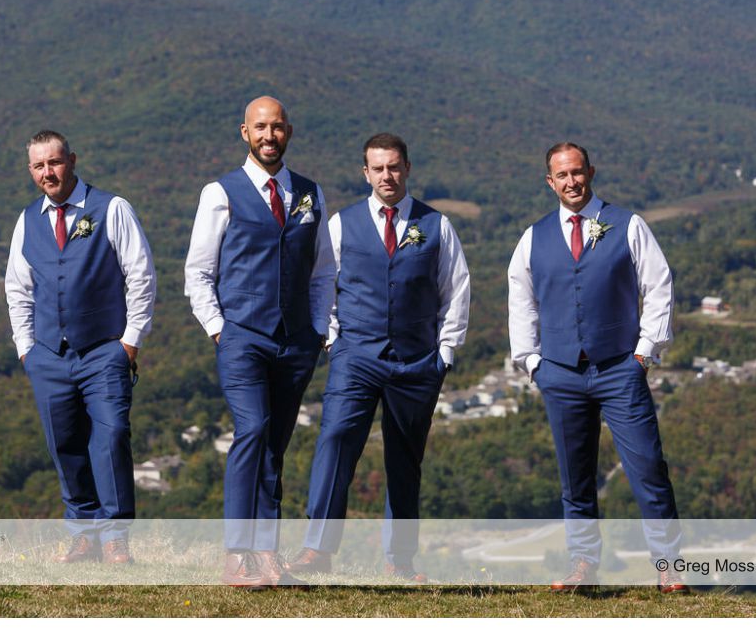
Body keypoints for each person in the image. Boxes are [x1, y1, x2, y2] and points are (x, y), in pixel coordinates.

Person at [285, 133, 470, 582]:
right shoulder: (342, 224)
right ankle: (317, 549)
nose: (387, 176)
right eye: (378, 168)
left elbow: (456, 290)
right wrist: (330, 337)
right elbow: (321, 282)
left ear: (407, 168)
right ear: (365, 172)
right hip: (356, 355)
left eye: (394, 167)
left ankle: (400, 561)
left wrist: (444, 354)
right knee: (336, 442)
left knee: (405, 459)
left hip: (416, 362)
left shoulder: (437, 225)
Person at [506, 142, 687, 594]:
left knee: (647, 465)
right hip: (560, 374)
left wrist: (645, 352)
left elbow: (659, 284)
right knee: (575, 474)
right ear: (550, 182)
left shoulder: (628, 225)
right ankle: (583, 566)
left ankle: (669, 566)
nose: (571, 182)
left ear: (591, 172)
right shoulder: (533, 237)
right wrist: (531, 362)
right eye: (561, 175)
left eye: (577, 172)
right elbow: (521, 301)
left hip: (619, 368)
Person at [184, 96, 336, 587]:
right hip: (242, 336)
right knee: (252, 430)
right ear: (244, 133)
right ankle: (237, 553)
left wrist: (317, 330)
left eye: (277, 127)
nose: (269, 135)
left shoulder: (311, 194)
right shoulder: (220, 192)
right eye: (260, 128)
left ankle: (267, 553)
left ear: (289, 131)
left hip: (296, 343)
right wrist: (218, 328)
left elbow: (324, 271)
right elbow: (199, 271)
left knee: (276, 443)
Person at [5, 130, 156, 565]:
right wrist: (26, 349)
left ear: (71, 160)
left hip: (104, 350)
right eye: (38, 166)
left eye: (54, 163)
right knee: (64, 443)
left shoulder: (112, 208)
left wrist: (130, 343)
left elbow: (141, 276)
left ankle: (115, 537)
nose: (47, 173)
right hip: (48, 356)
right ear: (31, 170)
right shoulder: (27, 220)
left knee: (110, 438)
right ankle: (83, 534)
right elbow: (18, 288)